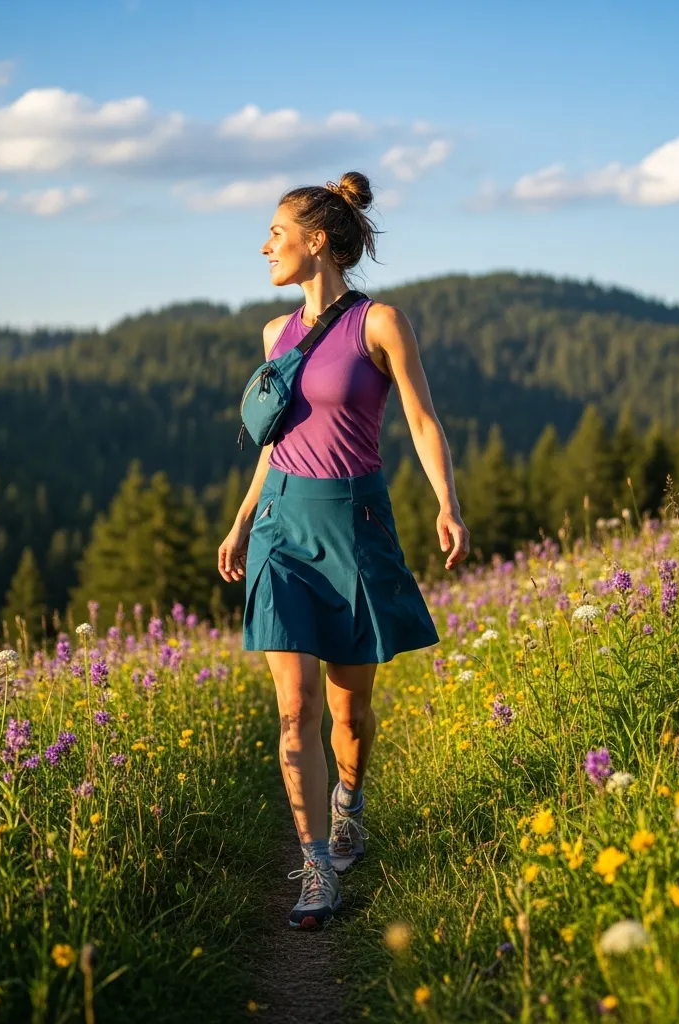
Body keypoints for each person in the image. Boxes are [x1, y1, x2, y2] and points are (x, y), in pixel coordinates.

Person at [217, 170, 469, 929]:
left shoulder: (380, 323)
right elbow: (273, 441)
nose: (265, 246)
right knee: (295, 712)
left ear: (316, 242)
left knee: (348, 710)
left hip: (354, 525)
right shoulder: (275, 334)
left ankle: (349, 802)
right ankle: (316, 866)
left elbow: (423, 421)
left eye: (276, 234)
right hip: (281, 530)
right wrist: (241, 519)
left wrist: (447, 502)